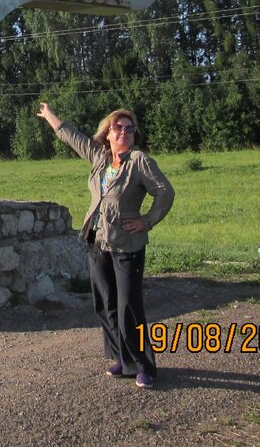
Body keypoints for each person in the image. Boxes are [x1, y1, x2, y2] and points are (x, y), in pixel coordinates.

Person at [37, 103, 174, 389]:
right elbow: (72, 137)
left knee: (129, 307)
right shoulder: (100, 157)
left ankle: (144, 365)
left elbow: (164, 192)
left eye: (128, 128)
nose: (123, 131)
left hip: (126, 245)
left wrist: (147, 221)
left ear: (134, 134)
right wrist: (50, 115)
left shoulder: (139, 161)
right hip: (96, 241)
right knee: (106, 304)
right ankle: (123, 360)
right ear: (107, 134)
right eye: (118, 127)